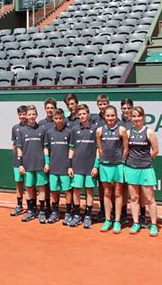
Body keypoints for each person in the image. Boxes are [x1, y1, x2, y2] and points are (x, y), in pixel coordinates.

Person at [125, 106, 160, 237]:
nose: (136, 119)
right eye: (134, 116)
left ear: (143, 117)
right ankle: (135, 223)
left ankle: (154, 225)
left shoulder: (149, 132)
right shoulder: (128, 133)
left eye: (138, 116)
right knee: (134, 198)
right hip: (131, 168)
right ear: (131, 118)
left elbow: (156, 151)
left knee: (149, 198)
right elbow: (126, 150)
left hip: (146, 169)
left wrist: (146, 160)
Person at [96, 105, 129, 234]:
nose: (110, 118)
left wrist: (121, 161)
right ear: (104, 116)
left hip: (118, 165)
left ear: (116, 116)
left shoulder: (121, 130)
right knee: (107, 192)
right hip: (105, 165)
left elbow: (126, 148)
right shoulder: (99, 131)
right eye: (108, 116)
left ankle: (117, 221)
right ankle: (108, 220)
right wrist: (103, 160)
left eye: (112, 116)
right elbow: (100, 149)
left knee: (118, 193)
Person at [67, 104, 99, 229]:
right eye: (79, 114)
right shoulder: (74, 130)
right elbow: (71, 149)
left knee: (89, 190)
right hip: (76, 166)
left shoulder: (95, 129)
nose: (81, 116)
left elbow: (98, 149)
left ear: (88, 114)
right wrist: (70, 166)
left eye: (83, 114)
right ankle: (76, 215)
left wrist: (96, 166)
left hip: (90, 166)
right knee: (76, 190)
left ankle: (87, 216)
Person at [17, 105, 48, 223]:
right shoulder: (21, 131)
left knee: (41, 188)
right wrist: (20, 164)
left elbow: (45, 147)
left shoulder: (42, 129)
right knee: (29, 188)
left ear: (36, 115)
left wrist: (47, 162)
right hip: (27, 165)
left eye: (33, 114)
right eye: (29, 114)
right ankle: (30, 211)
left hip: (40, 164)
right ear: (26, 115)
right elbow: (19, 149)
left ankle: (41, 211)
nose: (31, 117)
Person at [44, 108, 73, 224]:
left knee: (67, 190)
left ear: (64, 119)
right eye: (56, 118)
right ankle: (55, 212)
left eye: (60, 118)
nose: (58, 120)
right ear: (53, 119)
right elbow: (46, 148)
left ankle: (68, 212)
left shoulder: (69, 132)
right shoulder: (49, 133)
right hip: (53, 167)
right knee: (54, 190)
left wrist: (70, 165)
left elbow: (72, 149)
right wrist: (47, 162)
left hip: (65, 167)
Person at [91, 94, 110, 222]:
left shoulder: (113, 118)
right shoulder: (94, 120)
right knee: (102, 187)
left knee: (112, 187)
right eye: (100, 104)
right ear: (97, 105)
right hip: (98, 157)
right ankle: (103, 210)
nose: (102, 106)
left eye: (104, 104)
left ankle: (113, 212)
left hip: (112, 158)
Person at [38, 98, 57, 216]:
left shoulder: (59, 121)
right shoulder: (40, 124)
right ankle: (46, 206)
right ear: (45, 109)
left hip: (57, 156)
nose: (50, 110)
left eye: (52, 108)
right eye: (48, 108)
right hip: (44, 157)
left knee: (54, 184)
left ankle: (55, 208)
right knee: (44, 183)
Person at [10, 105, 28, 216]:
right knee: (19, 183)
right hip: (17, 161)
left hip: (29, 160)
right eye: (20, 114)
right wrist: (16, 157)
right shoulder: (15, 128)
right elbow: (14, 144)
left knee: (30, 185)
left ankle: (32, 206)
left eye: (24, 114)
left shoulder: (31, 127)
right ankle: (19, 205)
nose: (22, 116)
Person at [118, 98, 134, 224]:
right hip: (120, 160)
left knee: (135, 188)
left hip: (133, 160)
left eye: (129, 108)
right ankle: (122, 213)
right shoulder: (117, 123)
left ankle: (141, 215)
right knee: (121, 188)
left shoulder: (136, 123)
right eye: (124, 108)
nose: (126, 110)